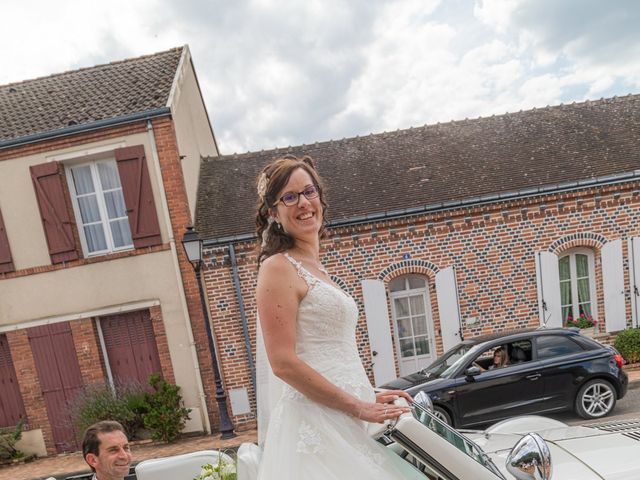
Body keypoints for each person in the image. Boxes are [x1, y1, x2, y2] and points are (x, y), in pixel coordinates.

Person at [255, 154, 420, 479]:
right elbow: (283, 363)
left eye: (309, 191)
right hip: (315, 424)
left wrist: (366, 391)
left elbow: (325, 351)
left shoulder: (317, 268)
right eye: (290, 197)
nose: (303, 203)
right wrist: (358, 404)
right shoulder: (277, 268)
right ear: (274, 212)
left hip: (343, 415)